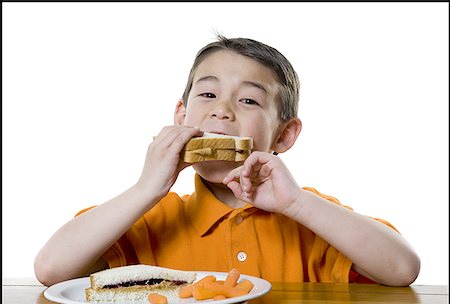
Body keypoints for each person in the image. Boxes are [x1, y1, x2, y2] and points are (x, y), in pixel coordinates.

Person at [34, 35, 420, 287]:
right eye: (207, 95)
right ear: (181, 117)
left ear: (284, 135)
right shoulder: (151, 215)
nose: (222, 111)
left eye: (248, 100)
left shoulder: (309, 216)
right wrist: (145, 189)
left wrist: (297, 203)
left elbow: (402, 269)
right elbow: (51, 269)